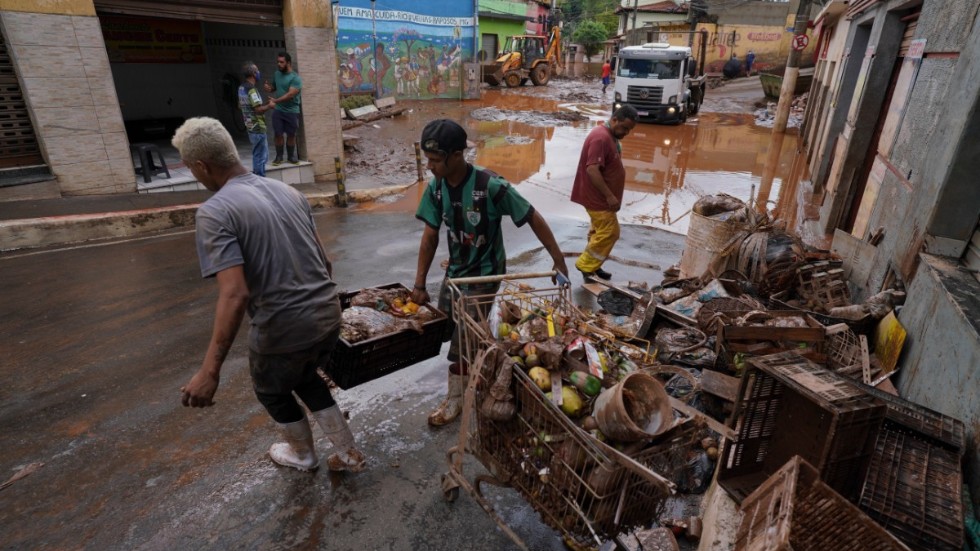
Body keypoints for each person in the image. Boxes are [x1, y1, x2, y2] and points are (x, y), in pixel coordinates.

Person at [174, 117, 365, 474]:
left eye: (190, 168)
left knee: (272, 390)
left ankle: (303, 456)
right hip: (327, 315)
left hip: (284, 329)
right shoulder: (289, 192)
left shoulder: (215, 212)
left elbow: (234, 295)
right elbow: (325, 263)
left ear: (201, 165)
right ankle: (348, 451)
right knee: (305, 376)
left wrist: (209, 372)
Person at [410, 119, 569, 427]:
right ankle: (482, 354)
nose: (430, 166)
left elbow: (532, 216)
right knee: (441, 326)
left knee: (462, 342)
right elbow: (430, 236)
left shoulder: (490, 187)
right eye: (427, 159)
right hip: (456, 273)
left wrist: (558, 260)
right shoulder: (437, 188)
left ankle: (456, 399)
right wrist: (419, 284)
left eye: (435, 160)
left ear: (458, 155)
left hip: (483, 277)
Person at [571, 105, 639, 281]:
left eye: (629, 130)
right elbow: (592, 170)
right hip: (598, 199)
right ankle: (585, 265)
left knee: (598, 232)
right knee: (610, 232)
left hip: (600, 198)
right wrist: (609, 196)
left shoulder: (610, 136)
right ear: (614, 119)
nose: (626, 133)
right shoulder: (601, 138)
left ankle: (594, 265)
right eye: (624, 128)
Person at [264, 51, 303, 165]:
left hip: (292, 111)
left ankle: (291, 156)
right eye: (278, 62)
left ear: (288, 63)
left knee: (291, 134)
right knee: (278, 134)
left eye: (281, 62)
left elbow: (290, 94)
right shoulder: (277, 74)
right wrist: (269, 88)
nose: (279, 64)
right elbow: (274, 88)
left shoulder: (295, 78)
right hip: (279, 110)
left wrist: (275, 101)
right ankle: (279, 156)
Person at [238, 61, 273, 177]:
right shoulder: (251, 89)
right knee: (261, 156)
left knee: (259, 154)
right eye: (257, 71)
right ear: (253, 73)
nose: (259, 72)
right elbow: (258, 109)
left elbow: (242, 105)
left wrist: (265, 104)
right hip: (257, 126)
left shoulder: (241, 88)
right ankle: (260, 179)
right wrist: (270, 106)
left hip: (249, 125)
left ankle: (259, 177)